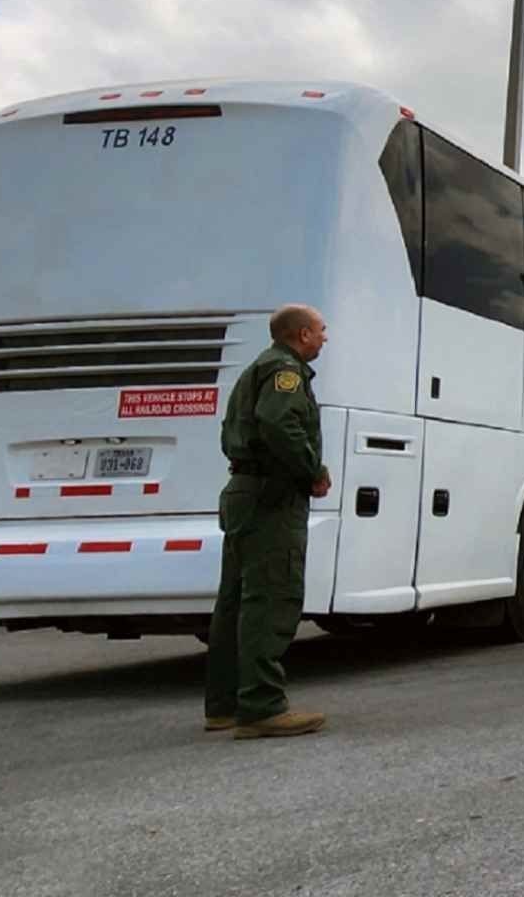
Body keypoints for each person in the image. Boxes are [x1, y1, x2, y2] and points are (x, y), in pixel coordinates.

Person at [205, 304, 332, 740]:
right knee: (270, 596)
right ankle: (261, 706)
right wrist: (312, 470)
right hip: (271, 496)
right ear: (301, 335)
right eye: (320, 331)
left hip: (244, 491)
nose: (324, 338)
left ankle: (224, 705)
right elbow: (279, 423)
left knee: (235, 601)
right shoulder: (284, 370)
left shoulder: (256, 368)